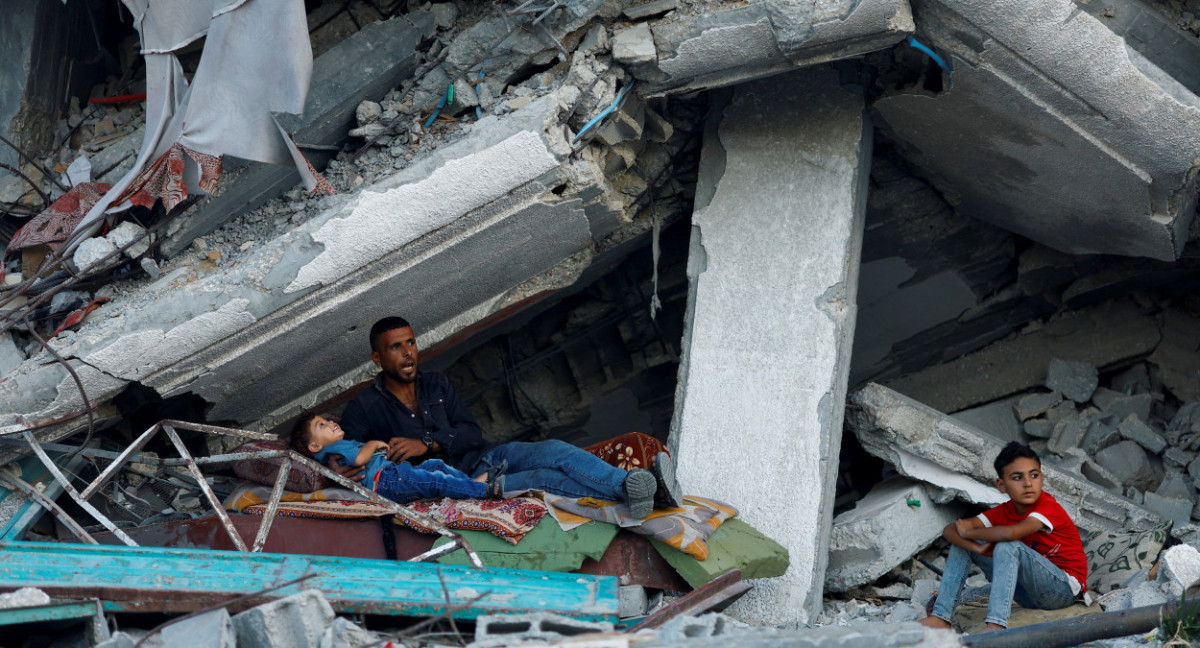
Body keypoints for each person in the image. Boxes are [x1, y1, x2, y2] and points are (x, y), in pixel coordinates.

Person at [337, 316, 681, 518]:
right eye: (396, 347)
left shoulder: (437, 384)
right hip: (463, 485)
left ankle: (628, 486)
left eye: (410, 343)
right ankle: (638, 497)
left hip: (486, 455)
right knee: (541, 477)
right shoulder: (364, 408)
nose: (408, 352)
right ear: (377, 358)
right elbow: (351, 468)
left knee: (553, 450)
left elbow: (471, 432)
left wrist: (426, 442)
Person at [919, 442, 1088, 632]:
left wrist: (970, 532)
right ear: (1001, 485)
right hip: (1026, 594)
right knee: (964, 543)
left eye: (1034, 475)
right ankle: (941, 616)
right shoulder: (1004, 511)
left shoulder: (1048, 506)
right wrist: (976, 546)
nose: (1027, 483)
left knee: (1008, 545)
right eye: (1017, 477)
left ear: (1041, 479)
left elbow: (1011, 533)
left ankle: (996, 624)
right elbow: (949, 530)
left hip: (1063, 590)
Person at [290, 412, 501, 503]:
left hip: (392, 475)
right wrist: (372, 444)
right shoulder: (336, 448)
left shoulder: (334, 448)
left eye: (325, 420)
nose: (329, 422)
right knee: (432, 480)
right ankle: (482, 490)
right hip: (387, 481)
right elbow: (359, 460)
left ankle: (468, 485)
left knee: (434, 465)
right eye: (321, 425)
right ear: (315, 445)